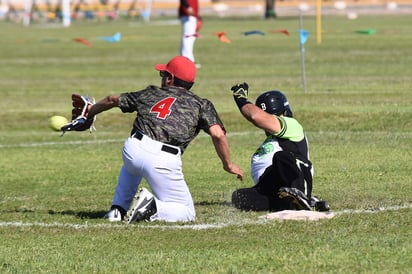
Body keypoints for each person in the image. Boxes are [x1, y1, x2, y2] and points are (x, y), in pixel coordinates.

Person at [84, 56, 243, 223]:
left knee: (132, 167)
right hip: (163, 159)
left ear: (170, 79)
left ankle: (118, 209)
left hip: (133, 147)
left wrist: (90, 112)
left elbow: (112, 99)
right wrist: (228, 164)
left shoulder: (151, 92)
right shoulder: (201, 104)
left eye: (163, 73)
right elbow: (218, 134)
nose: (161, 77)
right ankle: (152, 206)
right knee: (187, 212)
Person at [230, 83, 329, 212]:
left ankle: (302, 196)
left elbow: (255, 116)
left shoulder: (292, 126)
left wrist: (241, 99)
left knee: (281, 157)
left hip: (294, 176)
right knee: (239, 197)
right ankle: (290, 202)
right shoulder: (269, 141)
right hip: (272, 188)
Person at [179, 0, 201, 66]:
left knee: (190, 38)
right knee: (188, 38)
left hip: (191, 14)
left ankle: (185, 60)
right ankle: (188, 61)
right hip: (188, 14)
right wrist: (187, 6)